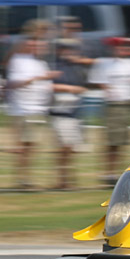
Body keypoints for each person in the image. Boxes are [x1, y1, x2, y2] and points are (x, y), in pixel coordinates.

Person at [87, 37, 130, 183]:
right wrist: (109, 90)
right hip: (114, 104)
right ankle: (108, 172)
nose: (123, 50)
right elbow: (97, 82)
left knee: (122, 141)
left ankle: (114, 172)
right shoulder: (104, 63)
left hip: (128, 104)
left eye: (125, 47)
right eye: (119, 47)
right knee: (112, 140)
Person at [6, 38, 59, 190]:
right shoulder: (18, 60)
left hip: (38, 110)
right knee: (23, 147)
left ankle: (25, 179)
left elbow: (46, 86)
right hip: (23, 109)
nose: (38, 48)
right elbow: (12, 84)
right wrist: (37, 78)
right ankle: (21, 180)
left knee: (31, 147)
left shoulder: (42, 64)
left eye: (41, 45)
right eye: (34, 44)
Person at [50, 40, 89, 190]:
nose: (68, 52)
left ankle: (68, 179)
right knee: (64, 147)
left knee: (72, 148)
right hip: (60, 112)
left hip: (75, 113)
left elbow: (84, 86)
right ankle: (62, 180)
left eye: (71, 49)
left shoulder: (77, 67)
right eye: (65, 49)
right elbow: (49, 85)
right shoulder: (54, 66)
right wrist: (70, 88)